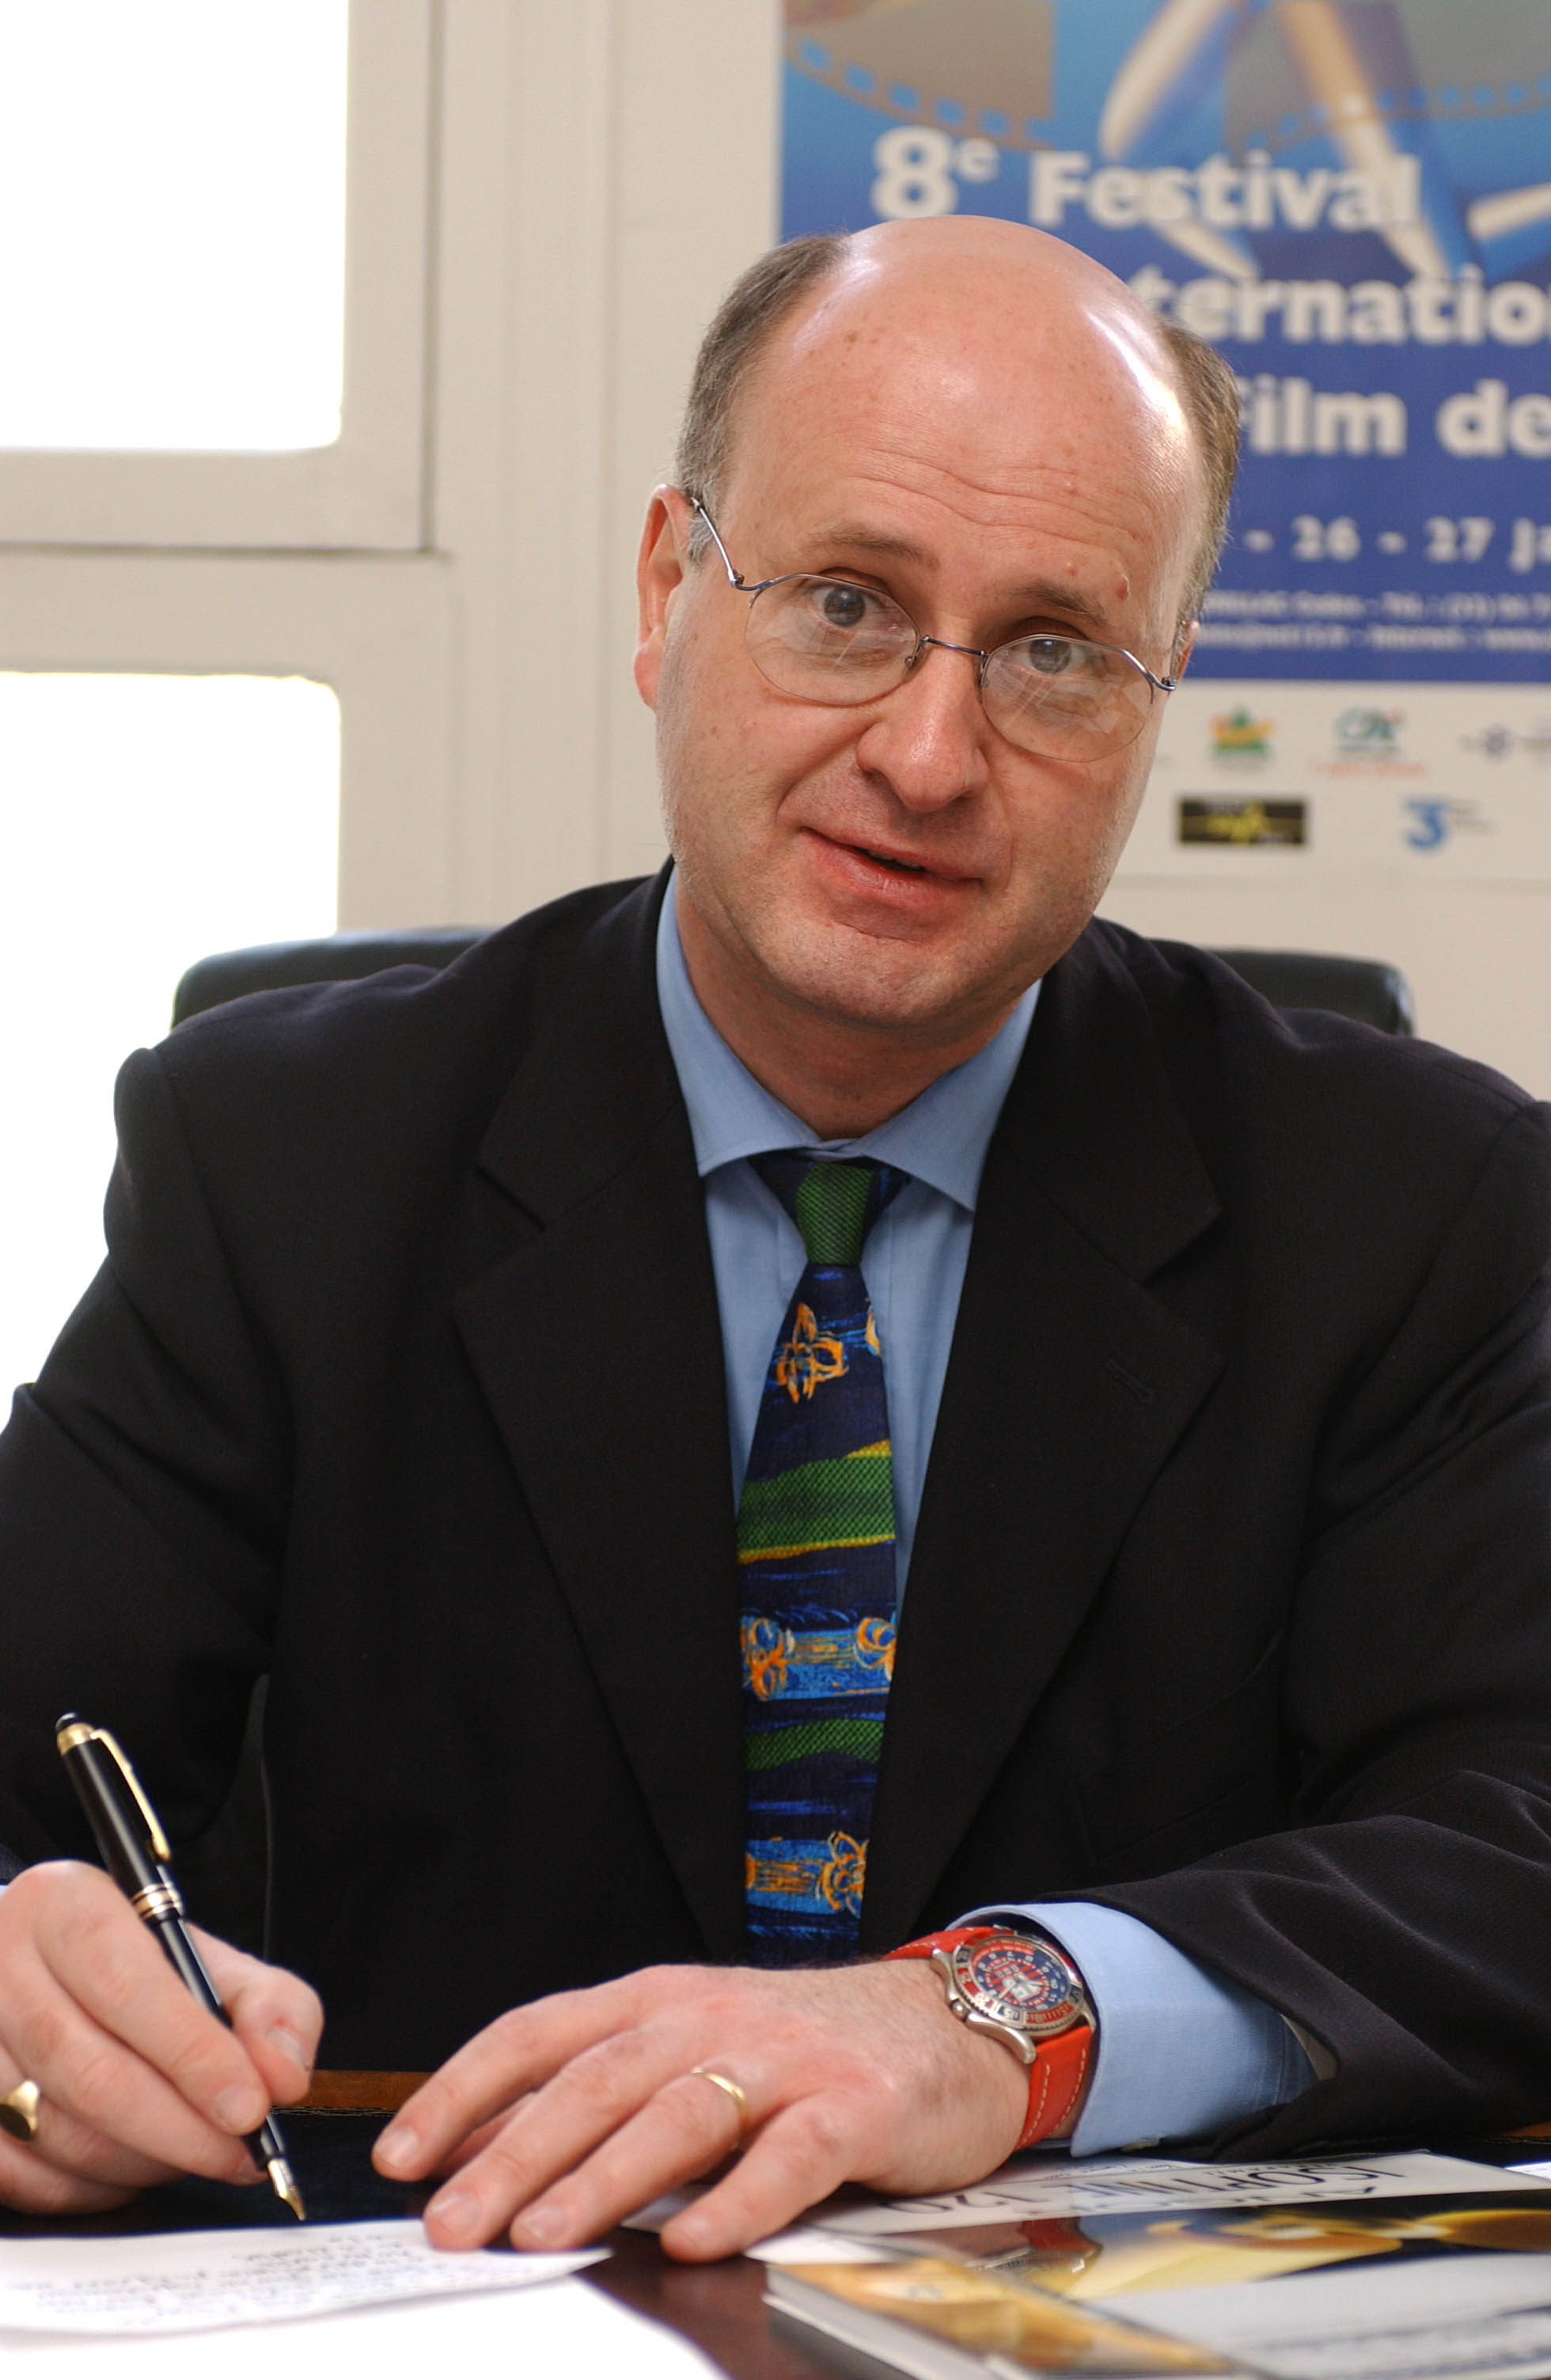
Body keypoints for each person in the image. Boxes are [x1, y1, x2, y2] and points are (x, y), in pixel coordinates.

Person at [1, 217, 1549, 2261]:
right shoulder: (283, 1157)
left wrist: (1003, 2015)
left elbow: (1519, 1843)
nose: (929, 756)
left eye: (1056, 651)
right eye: (844, 604)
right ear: (668, 591)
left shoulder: (1419, 1204)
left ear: (1161, 693)